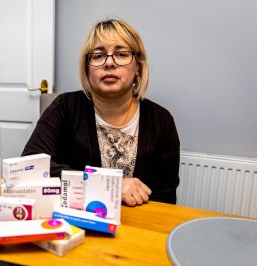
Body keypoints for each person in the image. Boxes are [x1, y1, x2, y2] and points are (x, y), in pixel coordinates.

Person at [22, 18, 180, 207]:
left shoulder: (161, 120)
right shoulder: (65, 107)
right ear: (87, 69)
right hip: (78, 221)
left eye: (121, 54)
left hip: (140, 226)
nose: (109, 63)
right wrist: (110, 185)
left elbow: (166, 199)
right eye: (98, 56)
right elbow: (30, 166)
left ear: (138, 66)